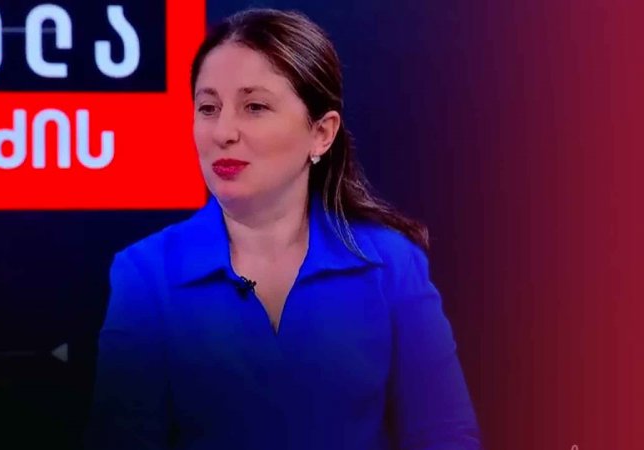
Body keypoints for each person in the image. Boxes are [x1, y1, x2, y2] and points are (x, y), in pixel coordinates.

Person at [84, 8, 482, 450]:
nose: (223, 132)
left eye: (254, 107)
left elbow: (445, 435)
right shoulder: (146, 274)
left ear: (322, 133)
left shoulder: (392, 265)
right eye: (208, 108)